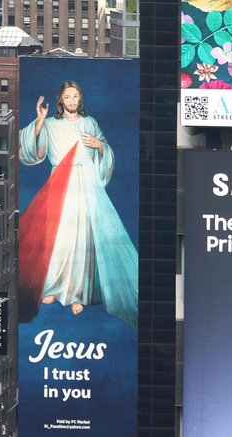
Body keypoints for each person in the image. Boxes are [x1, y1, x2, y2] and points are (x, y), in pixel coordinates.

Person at [18, 80, 138, 326]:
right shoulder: (51, 124)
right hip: (60, 184)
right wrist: (40, 119)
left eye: (76, 97)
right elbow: (33, 151)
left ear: (79, 99)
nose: (72, 101)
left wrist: (101, 146)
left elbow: (106, 153)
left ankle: (78, 294)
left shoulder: (90, 123)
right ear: (60, 100)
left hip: (86, 183)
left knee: (83, 239)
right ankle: (54, 287)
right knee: (59, 237)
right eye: (68, 97)